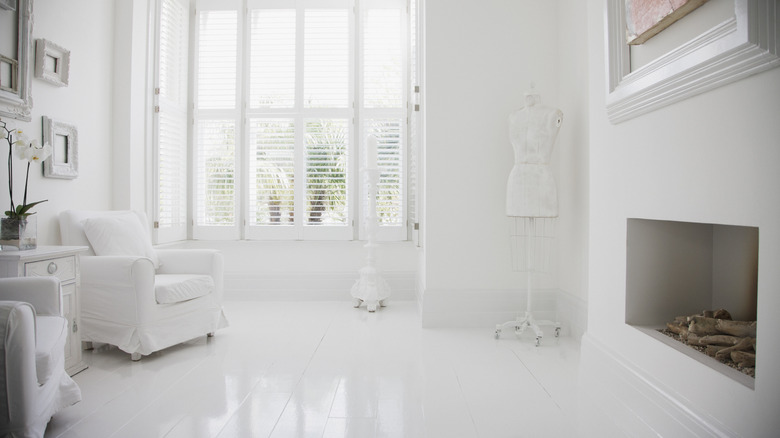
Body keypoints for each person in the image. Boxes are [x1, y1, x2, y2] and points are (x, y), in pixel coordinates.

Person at [505, 88, 563, 218]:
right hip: (518, 182)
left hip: (542, 179)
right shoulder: (513, 117)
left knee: (546, 233)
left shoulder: (552, 114)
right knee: (515, 234)